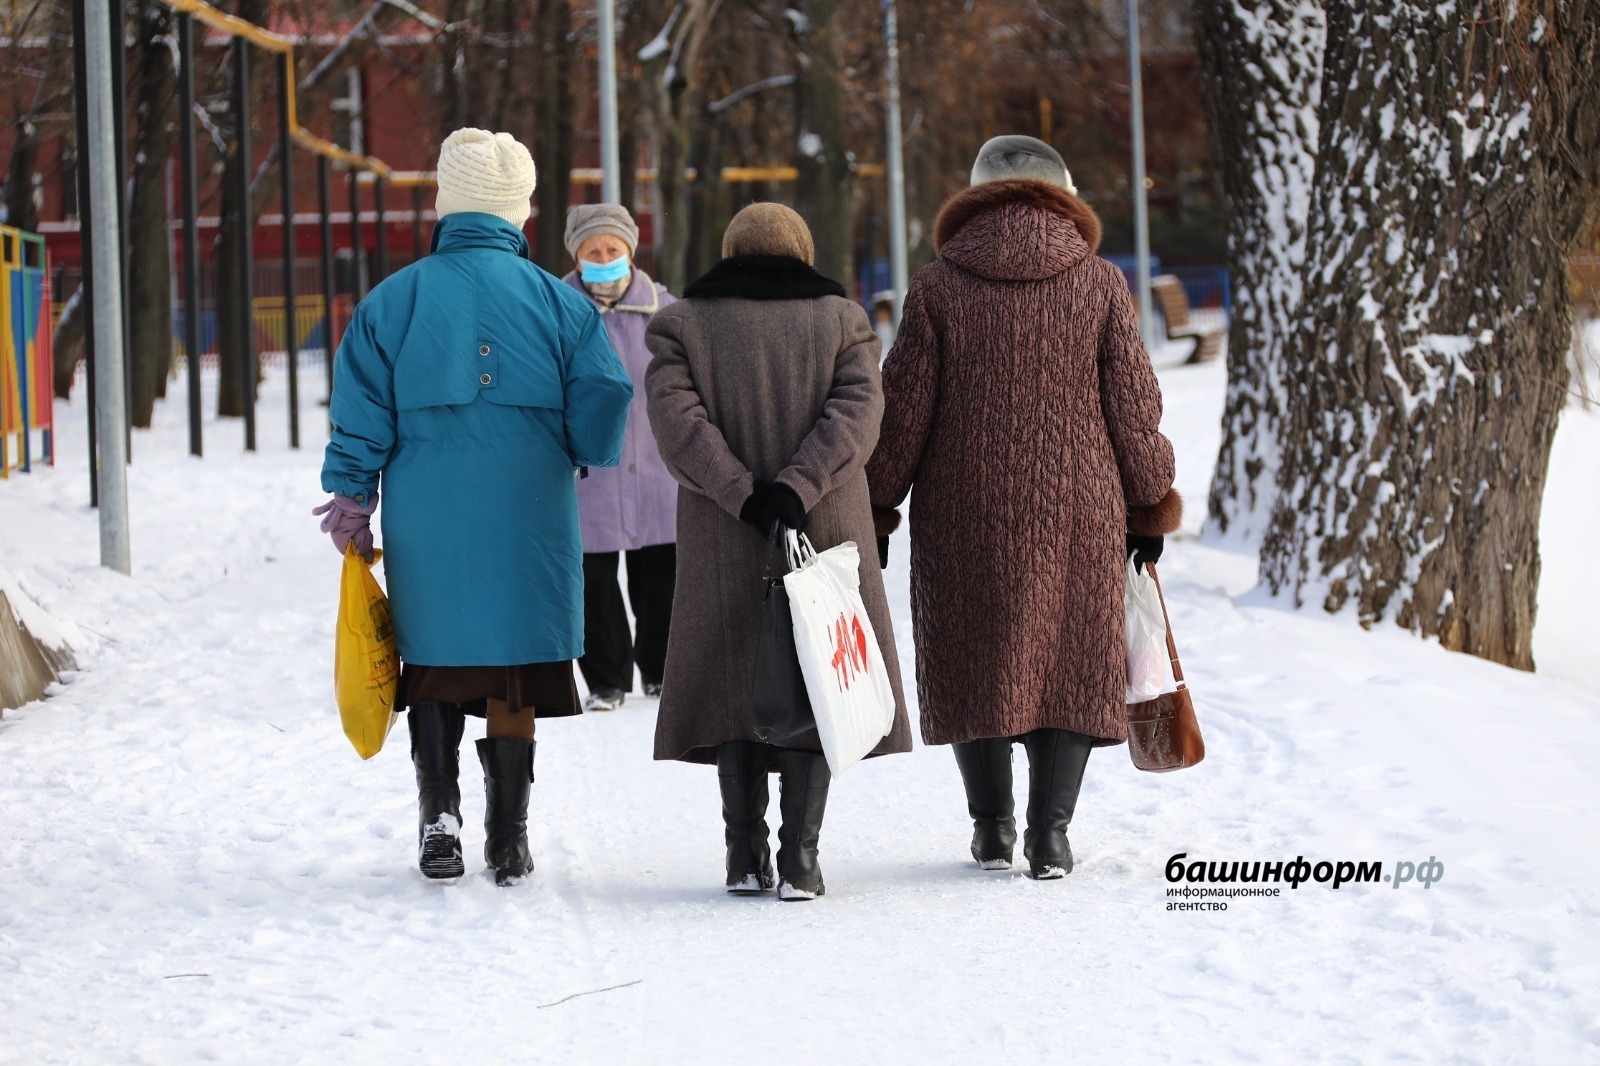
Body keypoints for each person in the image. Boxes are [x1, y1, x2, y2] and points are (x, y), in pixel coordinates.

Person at [315, 128, 633, 886]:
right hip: (531, 508)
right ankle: (510, 835)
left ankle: (438, 815)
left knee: (432, 659)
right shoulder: (561, 304)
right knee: (514, 665)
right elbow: (608, 390)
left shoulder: (392, 301)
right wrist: (581, 446)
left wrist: (354, 499)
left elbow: (360, 410)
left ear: (445, 206)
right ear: (518, 212)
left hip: (429, 511)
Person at [866, 136, 1183, 880]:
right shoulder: (1102, 283)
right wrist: (1148, 503)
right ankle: (1051, 835)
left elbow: (903, 407)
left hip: (963, 502)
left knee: (976, 656)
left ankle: (992, 830)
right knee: (1070, 660)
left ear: (974, 198)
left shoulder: (938, 286)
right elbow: (1133, 408)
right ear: (1065, 196)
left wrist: (878, 504)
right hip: (1079, 503)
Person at [644, 203, 913, 901]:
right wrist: (796, 490)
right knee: (816, 669)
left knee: (732, 678)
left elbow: (677, 425)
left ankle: (742, 856)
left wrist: (743, 493)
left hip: (721, 528)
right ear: (802, 250)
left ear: (730, 253)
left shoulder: (682, 324)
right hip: (819, 522)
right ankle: (801, 859)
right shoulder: (843, 320)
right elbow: (859, 413)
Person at [562, 204, 679, 712]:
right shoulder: (556, 310)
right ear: (577, 256)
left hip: (657, 465)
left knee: (662, 577)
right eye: (593, 251)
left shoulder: (666, 311)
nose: (604, 258)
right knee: (593, 579)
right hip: (589, 469)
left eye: (613, 250)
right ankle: (607, 680)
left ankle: (661, 671)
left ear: (630, 252)